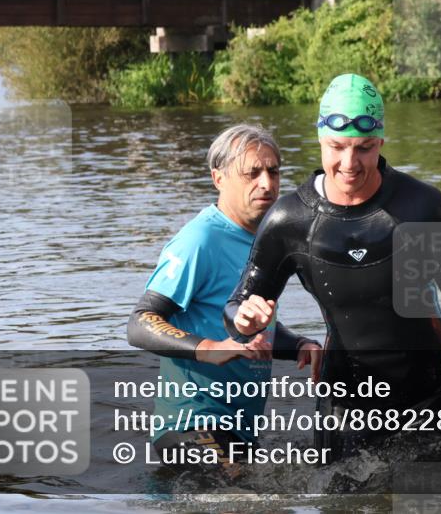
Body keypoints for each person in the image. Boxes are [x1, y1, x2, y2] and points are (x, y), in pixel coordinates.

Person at [223, 74, 441, 461]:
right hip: (347, 404)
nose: (349, 163)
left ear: (380, 142)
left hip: (438, 393)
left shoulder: (422, 206)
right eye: (337, 147)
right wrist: (245, 320)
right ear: (320, 139)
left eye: (363, 148)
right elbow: (237, 307)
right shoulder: (289, 221)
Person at [127, 124, 322, 472]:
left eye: (273, 171)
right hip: (191, 425)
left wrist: (299, 345)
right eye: (252, 173)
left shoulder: (269, 241)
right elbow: (140, 322)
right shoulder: (199, 239)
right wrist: (209, 348)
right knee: (247, 495)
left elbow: (253, 331)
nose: (267, 183)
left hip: (237, 432)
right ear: (219, 179)